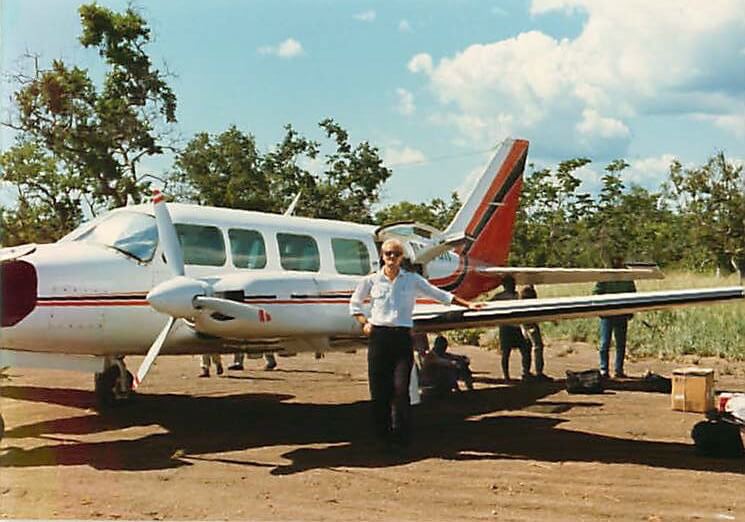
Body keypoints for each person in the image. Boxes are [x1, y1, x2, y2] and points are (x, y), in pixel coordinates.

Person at [349, 238, 481, 449]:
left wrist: (468, 304)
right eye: (387, 254)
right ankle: (382, 437)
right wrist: (364, 323)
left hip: (401, 338)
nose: (391, 258)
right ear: (381, 256)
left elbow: (439, 294)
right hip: (379, 338)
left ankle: (402, 438)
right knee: (379, 390)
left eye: (396, 254)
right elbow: (355, 304)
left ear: (402, 257)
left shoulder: (411, 280)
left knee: (402, 389)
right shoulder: (370, 281)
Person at [594, 256, 637, 378]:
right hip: (607, 314)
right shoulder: (604, 275)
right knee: (604, 343)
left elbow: (632, 293)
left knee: (621, 343)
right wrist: (600, 309)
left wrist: (630, 310)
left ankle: (619, 369)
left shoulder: (627, 276)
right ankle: (604, 369)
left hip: (622, 313)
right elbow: (596, 293)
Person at [491, 276, 531, 382]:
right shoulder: (499, 297)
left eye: (513, 283)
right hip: (506, 327)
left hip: (517, 327)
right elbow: (489, 305)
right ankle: (506, 376)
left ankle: (525, 372)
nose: (512, 286)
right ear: (505, 285)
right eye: (510, 284)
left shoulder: (518, 295)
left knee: (526, 349)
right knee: (506, 353)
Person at [519, 285, 552, 382]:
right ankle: (538, 372)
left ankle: (527, 372)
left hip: (526, 323)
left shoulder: (523, 292)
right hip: (530, 323)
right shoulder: (527, 292)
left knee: (527, 348)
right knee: (537, 347)